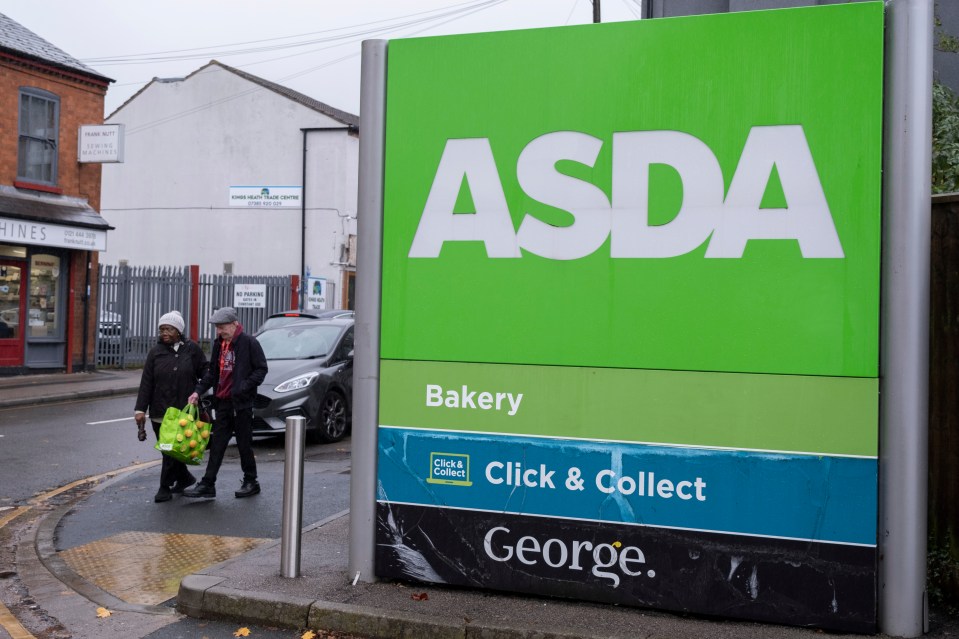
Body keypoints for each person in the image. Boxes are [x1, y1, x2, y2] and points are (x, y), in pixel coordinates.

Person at [184, 307, 268, 499]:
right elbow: (212, 373)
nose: (219, 331)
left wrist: (243, 387)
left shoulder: (249, 343)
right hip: (222, 403)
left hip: (241, 404)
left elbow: (261, 370)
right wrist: (197, 392)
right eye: (217, 328)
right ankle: (207, 484)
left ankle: (251, 481)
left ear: (234, 324)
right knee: (218, 444)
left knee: (244, 444)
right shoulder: (218, 345)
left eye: (222, 327)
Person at [134, 310, 209, 503]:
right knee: (168, 448)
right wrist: (140, 409)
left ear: (178, 330)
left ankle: (164, 487)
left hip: (183, 410)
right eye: (161, 329)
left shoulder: (192, 350)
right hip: (160, 411)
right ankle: (184, 477)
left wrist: (199, 391)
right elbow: (147, 382)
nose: (164, 332)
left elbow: (206, 372)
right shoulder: (155, 353)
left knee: (171, 449)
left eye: (168, 328)